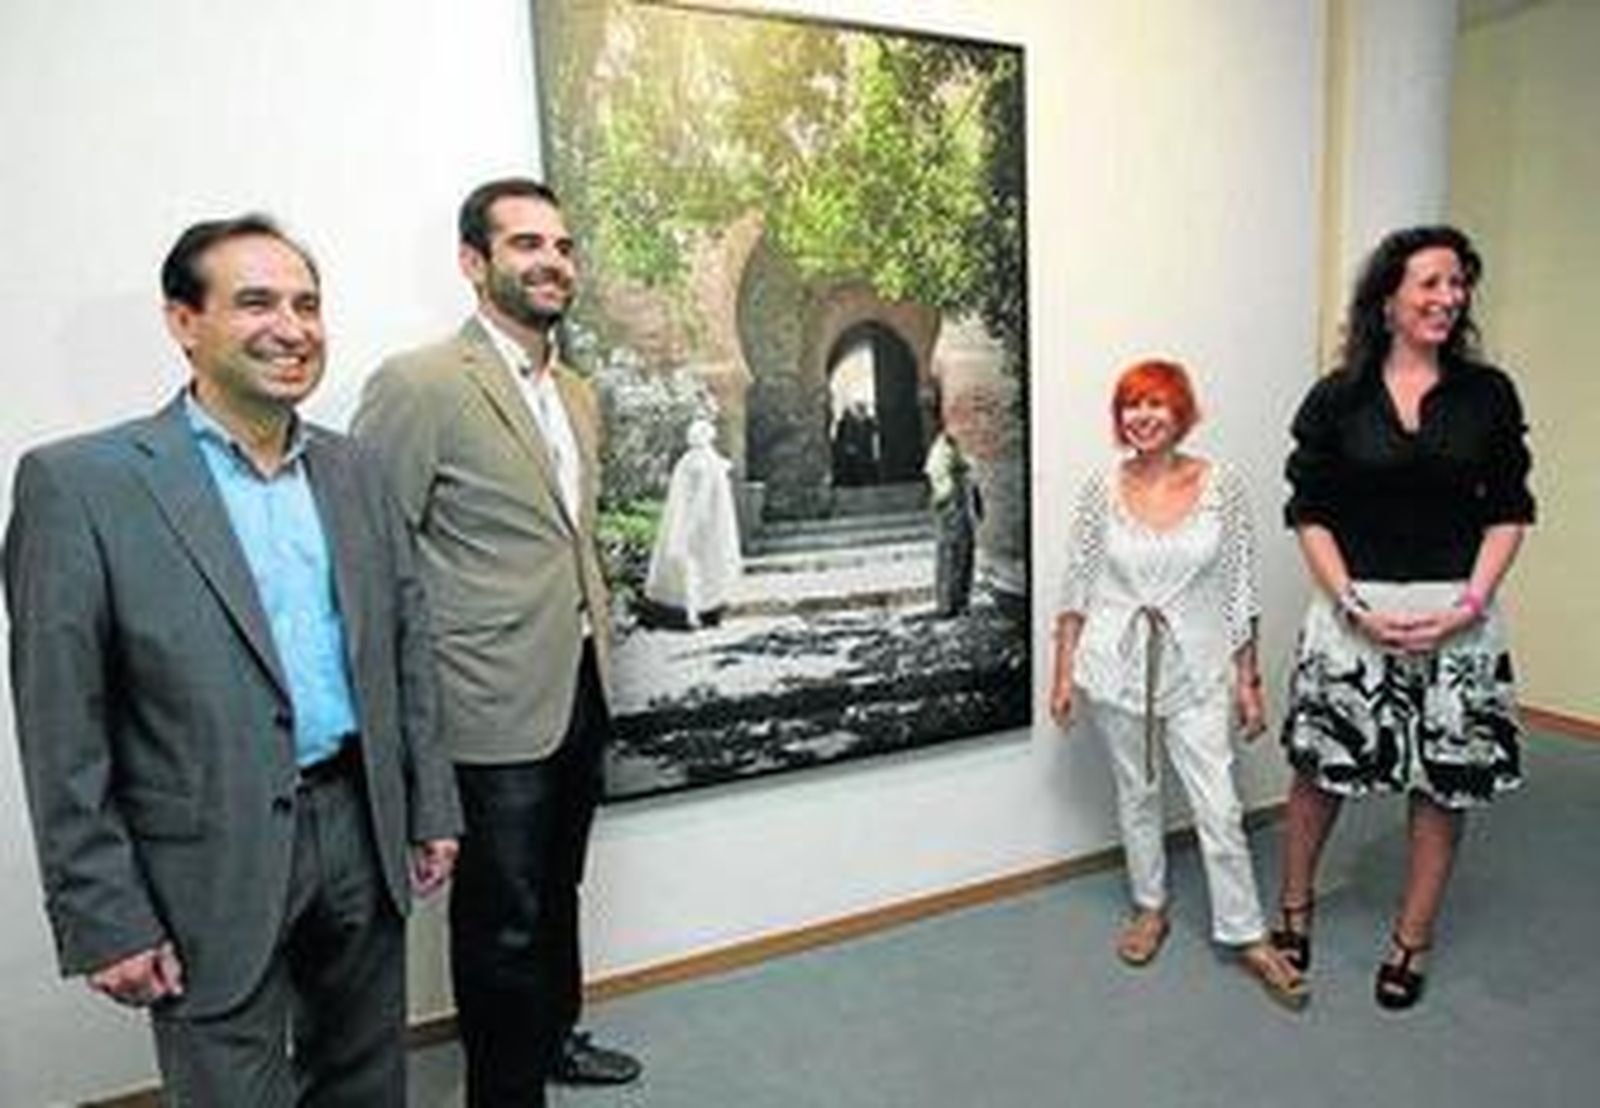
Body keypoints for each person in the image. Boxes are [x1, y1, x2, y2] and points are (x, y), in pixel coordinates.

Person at [3, 215, 461, 1105]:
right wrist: (102, 913)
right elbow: (61, 725)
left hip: (359, 827)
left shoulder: (357, 471)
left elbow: (407, 647)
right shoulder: (81, 486)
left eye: (307, 305)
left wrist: (429, 803)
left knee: (366, 1082)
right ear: (184, 321)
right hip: (202, 859)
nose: (292, 328)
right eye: (256, 302)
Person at [352, 178, 640, 1107]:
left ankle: (554, 1039)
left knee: (558, 887)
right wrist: (403, 722)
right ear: (474, 263)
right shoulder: (421, 385)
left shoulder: (578, 394)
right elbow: (374, 556)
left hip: (579, 685)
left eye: (562, 245)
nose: (551, 261)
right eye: (526, 244)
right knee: (499, 918)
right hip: (482, 700)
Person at [1272, 225, 1534, 1010]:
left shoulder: (1489, 395)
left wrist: (1468, 606)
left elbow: (1510, 510)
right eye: (1431, 283)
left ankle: (1411, 940)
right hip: (1353, 613)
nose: (1449, 297)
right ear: (1387, 298)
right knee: (1321, 775)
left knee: (1444, 786)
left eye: (1458, 283)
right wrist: (1351, 603)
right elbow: (1309, 512)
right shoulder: (1336, 398)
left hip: (1459, 615)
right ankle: (1294, 907)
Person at [1050, 359, 1307, 1009]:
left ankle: (1247, 934)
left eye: (1156, 404)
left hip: (1197, 662)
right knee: (1138, 793)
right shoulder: (1100, 489)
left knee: (1217, 804)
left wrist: (1249, 680)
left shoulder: (1221, 486)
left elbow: (1240, 591)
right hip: (1116, 661)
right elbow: (1077, 584)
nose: (1143, 416)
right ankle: (1149, 906)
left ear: (1181, 412)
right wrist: (1063, 672)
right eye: (1131, 405)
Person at [644, 417, 742, 629]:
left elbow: (696, 499)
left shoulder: (692, 462)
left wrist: (687, 525)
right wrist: (692, 524)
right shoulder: (705, 462)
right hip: (703, 526)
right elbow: (693, 498)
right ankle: (699, 612)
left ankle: (703, 612)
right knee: (702, 567)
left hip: (699, 524)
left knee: (697, 567)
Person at [924, 426, 980, 617]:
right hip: (951, 507)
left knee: (964, 555)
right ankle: (948, 603)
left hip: (961, 507)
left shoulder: (957, 448)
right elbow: (940, 482)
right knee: (950, 555)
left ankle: (960, 601)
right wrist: (949, 501)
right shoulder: (942, 450)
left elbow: (971, 479)